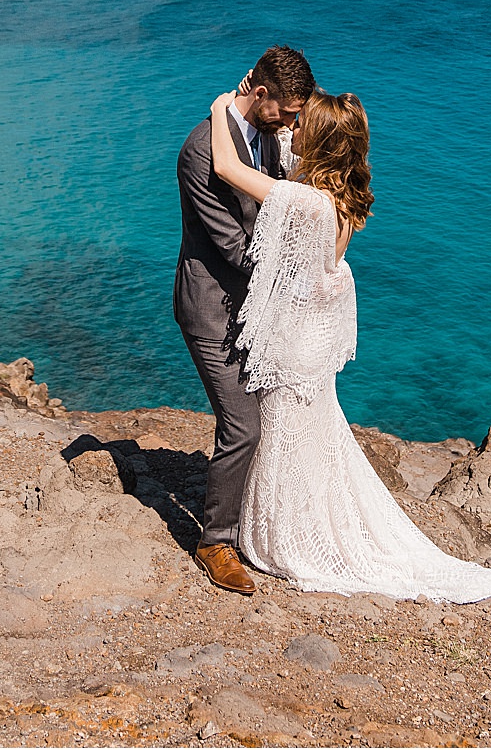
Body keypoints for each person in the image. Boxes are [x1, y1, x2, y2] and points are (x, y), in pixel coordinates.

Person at [204, 86, 491, 616]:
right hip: (312, 341)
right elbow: (292, 156)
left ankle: (284, 536)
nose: (293, 131)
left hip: (294, 343)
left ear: (319, 143)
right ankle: (298, 521)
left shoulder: (305, 201)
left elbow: (226, 165)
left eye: (302, 126)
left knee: (287, 437)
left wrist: (224, 106)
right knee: (309, 439)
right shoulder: (339, 200)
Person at [174, 45, 317, 595]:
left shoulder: (269, 133)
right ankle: (215, 542)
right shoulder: (200, 151)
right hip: (211, 306)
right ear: (259, 95)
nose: (293, 121)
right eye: (287, 110)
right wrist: (304, 262)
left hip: (256, 308)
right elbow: (234, 247)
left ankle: (257, 519)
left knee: (270, 417)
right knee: (243, 425)